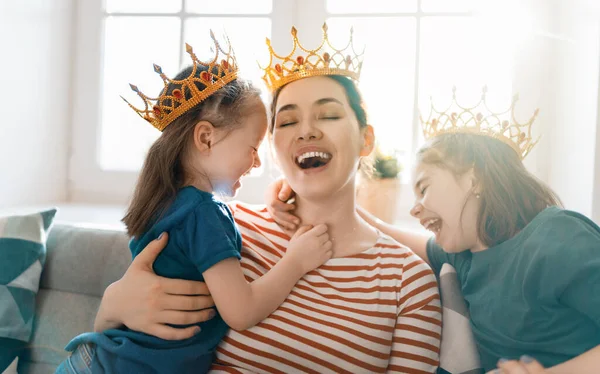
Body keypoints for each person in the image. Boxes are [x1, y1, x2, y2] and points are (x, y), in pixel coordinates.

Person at [89, 24, 443, 373]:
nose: (306, 130)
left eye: (330, 114)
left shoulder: (407, 280)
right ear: (271, 147)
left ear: (367, 140)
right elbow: (122, 345)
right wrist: (111, 307)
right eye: (287, 122)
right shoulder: (224, 224)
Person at [56, 33, 334, 374]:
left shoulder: (168, 202)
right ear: (206, 137)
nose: (258, 163)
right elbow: (242, 312)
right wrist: (296, 261)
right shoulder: (205, 213)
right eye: (253, 148)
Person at [268, 89, 600, 373]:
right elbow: (375, 226)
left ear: (474, 177)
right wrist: (299, 188)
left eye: (424, 189)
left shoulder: (557, 238)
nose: (414, 208)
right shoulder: (464, 256)